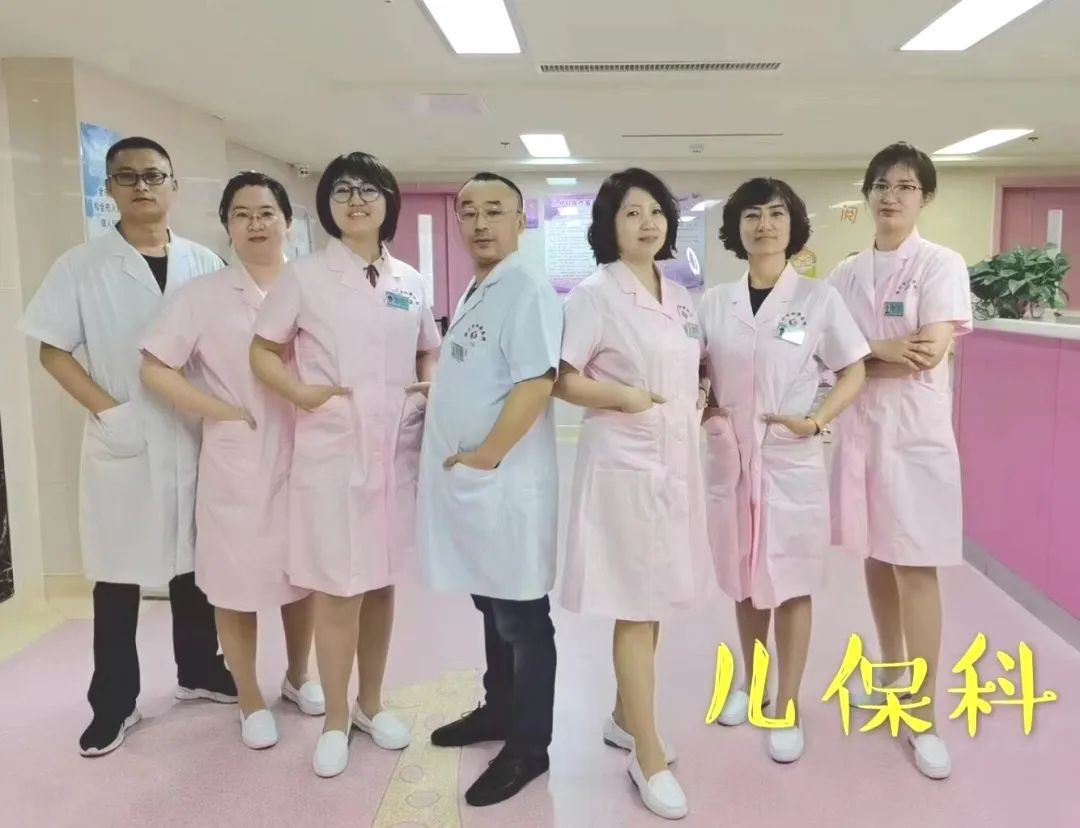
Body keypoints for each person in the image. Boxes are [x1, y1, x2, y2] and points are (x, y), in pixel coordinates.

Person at [17, 136, 236, 757]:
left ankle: (200, 669)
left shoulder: (203, 262)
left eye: (154, 175)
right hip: (126, 432)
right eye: (127, 176)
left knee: (195, 565)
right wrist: (108, 410)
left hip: (192, 432)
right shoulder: (81, 265)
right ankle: (113, 703)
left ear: (174, 186)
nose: (142, 186)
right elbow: (53, 350)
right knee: (117, 577)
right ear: (109, 188)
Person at [249, 152, 439, 778]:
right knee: (337, 589)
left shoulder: (409, 280)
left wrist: (428, 389)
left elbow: (428, 349)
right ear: (328, 204)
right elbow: (263, 351)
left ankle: (370, 705)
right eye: (343, 191)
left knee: (381, 584)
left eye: (369, 190)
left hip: (393, 452)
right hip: (333, 452)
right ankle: (334, 718)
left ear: (389, 201)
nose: (356, 200)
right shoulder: (303, 277)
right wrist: (302, 395)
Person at [138, 171, 325, 750]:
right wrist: (218, 410)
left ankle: (298, 676)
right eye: (241, 214)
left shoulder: (316, 287)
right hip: (237, 460)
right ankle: (249, 698)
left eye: (266, 212)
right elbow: (154, 366)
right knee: (235, 584)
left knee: (304, 577)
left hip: (310, 452)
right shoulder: (201, 296)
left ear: (287, 221)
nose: (255, 224)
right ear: (226, 226)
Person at [553, 168, 713, 820]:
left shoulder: (679, 296)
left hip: (673, 463)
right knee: (635, 605)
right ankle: (646, 755)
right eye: (631, 213)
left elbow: (691, 368)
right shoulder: (594, 295)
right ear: (609, 225)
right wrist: (621, 395)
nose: (647, 223)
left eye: (655, 211)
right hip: (624, 463)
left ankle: (625, 717)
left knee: (656, 598)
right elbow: (562, 379)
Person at [698, 178, 868, 765]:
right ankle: (753, 685)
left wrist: (816, 420)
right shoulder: (715, 302)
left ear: (793, 226)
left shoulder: (819, 299)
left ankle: (788, 704)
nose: (764, 225)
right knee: (746, 578)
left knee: (790, 581)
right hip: (733, 458)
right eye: (752, 215)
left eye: (776, 214)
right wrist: (705, 406)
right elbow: (696, 367)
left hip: (789, 456)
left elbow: (853, 370)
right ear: (737, 229)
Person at [827, 142, 972, 780]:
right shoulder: (846, 273)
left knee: (915, 564)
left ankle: (923, 711)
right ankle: (889, 675)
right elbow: (824, 354)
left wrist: (861, 355)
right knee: (877, 555)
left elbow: (926, 354)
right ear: (867, 194)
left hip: (913, 438)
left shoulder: (940, 264)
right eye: (882, 185)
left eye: (906, 186)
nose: (891, 196)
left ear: (924, 198)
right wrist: (881, 350)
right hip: (861, 434)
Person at [418, 172, 562, 807]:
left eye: (494, 210)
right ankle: (498, 708)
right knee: (491, 604)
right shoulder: (482, 286)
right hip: (480, 486)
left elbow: (536, 381)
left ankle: (529, 746)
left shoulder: (526, 287)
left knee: (523, 618)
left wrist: (486, 456)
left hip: (505, 483)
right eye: (468, 211)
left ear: (520, 219)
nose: (479, 223)